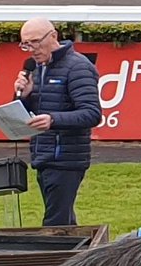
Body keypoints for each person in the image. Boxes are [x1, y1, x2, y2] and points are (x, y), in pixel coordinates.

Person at [14, 18, 101, 227]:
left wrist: (53, 120)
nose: (31, 49)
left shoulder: (78, 67)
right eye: (25, 44)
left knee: (55, 224)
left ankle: (57, 250)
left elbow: (92, 113)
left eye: (35, 42)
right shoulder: (37, 68)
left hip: (66, 159)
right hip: (43, 156)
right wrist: (24, 96)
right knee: (64, 223)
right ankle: (78, 248)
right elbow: (32, 112)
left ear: (53, 36)